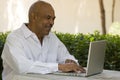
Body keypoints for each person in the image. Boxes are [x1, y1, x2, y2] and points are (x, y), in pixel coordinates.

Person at [1, 1, 85, 80]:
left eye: (53, 19)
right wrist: (59, 67)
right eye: (48, 18)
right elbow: (22, 66)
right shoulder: (14, 38)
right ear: (34, 17)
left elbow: (65, 55)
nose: (52, 22)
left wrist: (69, 61)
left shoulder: (52, 37)